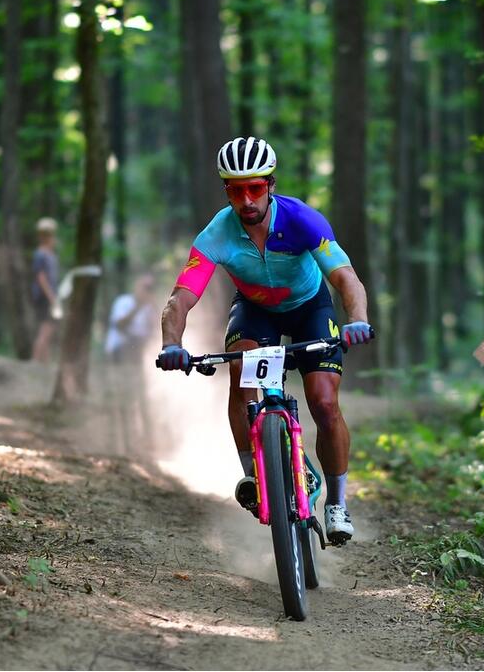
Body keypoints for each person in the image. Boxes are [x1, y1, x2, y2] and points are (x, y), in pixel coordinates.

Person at [158, 136, 374, 545]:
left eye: (255, 188)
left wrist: (357, 320)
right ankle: (254, 475)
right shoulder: (216, 234)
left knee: (324, 403)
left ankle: (337, 503)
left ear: (270, 185)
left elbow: (345, 278)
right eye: (236, 190)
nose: (246, 199)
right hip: (256, 311)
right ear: (227, 191)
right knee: (241, 370)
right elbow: (180, 299)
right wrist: (172, 345)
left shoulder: (301, 220)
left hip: (311, 308)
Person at [105, 274, 157, 363]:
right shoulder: (123, 301)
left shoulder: (150, 307)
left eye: (149, 288)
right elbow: (119, 326)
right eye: (144, 287)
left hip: (139, 351)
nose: (145, 291)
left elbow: (155, 332)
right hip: (119, 349)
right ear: (136, 286)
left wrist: (154, 308)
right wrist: (138, 306)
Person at [31, 217, 60, 362]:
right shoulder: (41, 254)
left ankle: (45, 361)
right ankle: (35, 360)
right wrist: (51, 297)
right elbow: (41, 277)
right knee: (46, 328)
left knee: (49, 328)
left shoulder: (50, 255)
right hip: (44, 296)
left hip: (48, 296)